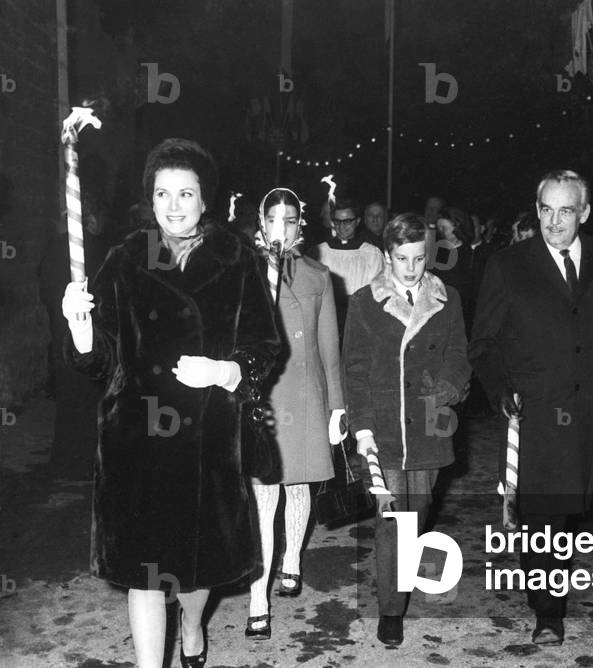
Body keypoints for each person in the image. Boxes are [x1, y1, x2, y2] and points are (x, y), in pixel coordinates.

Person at [61, 138, 280, 668]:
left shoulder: (237, 259)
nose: (174, 205)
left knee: (195, 570)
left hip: (206, 437)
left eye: (186, 193)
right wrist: (82, 329)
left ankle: (194, 629)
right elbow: (103, 359)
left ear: (206, 201)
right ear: (150, 199)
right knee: (145, 570)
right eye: (163, 193)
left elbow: (265, 346)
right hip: (135, 436)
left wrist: (226, 371)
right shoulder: (126, 258)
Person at [470, 170, 593, 645]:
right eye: (546, 209)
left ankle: (545, 584)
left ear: (584, 213)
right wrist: (501, 388)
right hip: (536, 410)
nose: (554, 221)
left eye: (566, 211)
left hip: (591, 410)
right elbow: (483, 342)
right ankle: (548, 611)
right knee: (542, 513)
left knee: (572, 510)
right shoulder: (507, 266)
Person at [343, 213, 470, 648]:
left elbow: (459, 354)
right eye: (402, 258)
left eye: (419, 258)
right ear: (386, 256)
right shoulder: (364, 303)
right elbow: (354, 372)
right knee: (392, 521)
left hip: (431, 426)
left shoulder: (446, 297)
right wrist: (361, 429)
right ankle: (390, 611)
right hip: (386, 429)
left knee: (419, 511)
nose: (411, 268)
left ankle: (408, 572)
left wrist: (451, 386)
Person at [244, 188, 345, 640]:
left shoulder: (319, 276)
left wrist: (337, 406)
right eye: (273, 220)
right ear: (261, 224)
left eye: (289, 220)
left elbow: (330, 349)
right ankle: (257, 597)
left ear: (301, 225)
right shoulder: (243, 273)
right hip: (263, 399)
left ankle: (292, 561)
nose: (280, 228)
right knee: (264, 496)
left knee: (299, 485)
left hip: (304, 395)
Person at [314, 196, 384, 339]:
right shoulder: (320, 252)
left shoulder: (371, 253)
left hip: (361, 323)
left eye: (347, 221)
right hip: (327, 323)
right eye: (337, 221)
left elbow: (379, 294)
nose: (342, 226)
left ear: (357, 221)